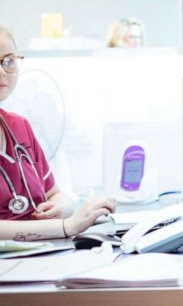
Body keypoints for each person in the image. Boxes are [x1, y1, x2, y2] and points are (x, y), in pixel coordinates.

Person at [0, 26, 116, 240]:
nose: (2, 72)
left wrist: (63, 207)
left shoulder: (19, 127)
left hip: (38, 253)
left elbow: (54, 193)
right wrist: (65, 226)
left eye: (8, 61)